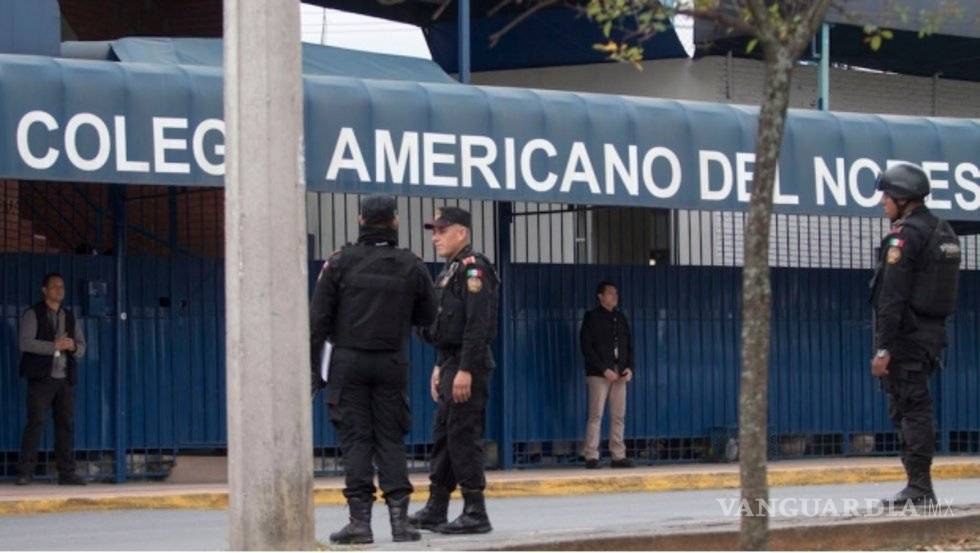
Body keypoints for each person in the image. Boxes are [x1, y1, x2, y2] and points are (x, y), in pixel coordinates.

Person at [310, 195, 437, 544]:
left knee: (356, 440)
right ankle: (400, 523)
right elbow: (429, 317)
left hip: (347, 362)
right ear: (395, 222)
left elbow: (317, 321)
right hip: (392, 361)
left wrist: (311, 373)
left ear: (360, 220)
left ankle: (360, 523)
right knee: (390, 439)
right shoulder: (411, 264)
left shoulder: (338, 263)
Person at [870, 163, 960, 507]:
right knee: (914, 407)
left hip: (905, 340)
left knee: (911, 410)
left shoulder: (904, 237)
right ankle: (918, 486)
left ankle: (919, 488)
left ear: (903, 199)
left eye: (887, 196)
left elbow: (891, 297)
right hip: (931, 337)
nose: (882, 202)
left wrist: (882, 349)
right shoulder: (943, 230)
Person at [409, 207, 499, 535]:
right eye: (433, 230)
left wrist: (466, 369)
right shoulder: (451, 270)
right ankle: (437, 507)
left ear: (461, 232)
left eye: (441, 230)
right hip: (449, 362)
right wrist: (439, 365)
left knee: (463, 436)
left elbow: (479, 325)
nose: (435, 237)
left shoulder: (475, 269)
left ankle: (476, 511)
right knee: (444, 436)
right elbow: (446, 323)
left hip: (466, 365)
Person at [17, 272, 87, 486]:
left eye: (62, 286)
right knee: (35, 423)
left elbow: (82, 347)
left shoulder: (69, 316)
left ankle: (66, 473)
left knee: (65, 424)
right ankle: (25, 472)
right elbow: (25, 343)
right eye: (55, 286)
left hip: (64, 379)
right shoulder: (33, 313)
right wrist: (53, 346)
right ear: (44, 290)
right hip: (41, 379)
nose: (60, 290)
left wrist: (72, 346)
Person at [579, 281, 635, 469]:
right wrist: (604, 369)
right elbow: (587, 347)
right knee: (596, 415)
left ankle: (618, 455)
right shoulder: (592, 317)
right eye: (610, 293)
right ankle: (591, 455)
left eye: (616, 293)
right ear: (600, 296)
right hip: (599, 374)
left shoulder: (620, 318)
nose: (614, 296)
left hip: (620, 373)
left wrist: (629, 367)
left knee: (619, 415)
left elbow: (629, 346)